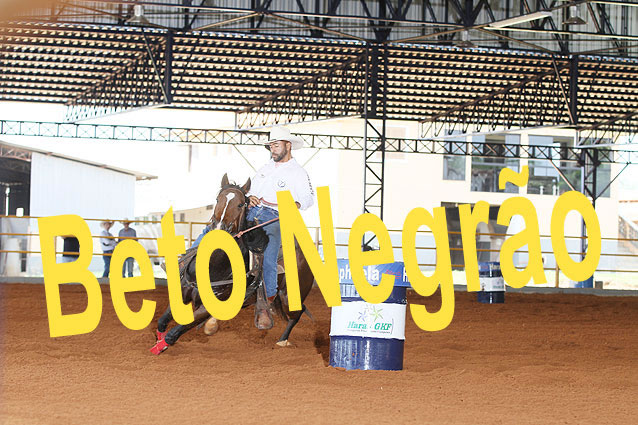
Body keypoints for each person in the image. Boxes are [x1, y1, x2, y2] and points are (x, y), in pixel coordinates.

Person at [192, 127, 314, 330]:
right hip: (252, 212)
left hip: (274, 216)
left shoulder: (298, 172)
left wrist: (296, 204)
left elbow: (308, 198)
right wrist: (251, 198)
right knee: (215, 228)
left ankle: (265, 302)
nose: (272, 149)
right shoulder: (265, 169)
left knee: (269, 252)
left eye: (276, 145)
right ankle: (185, 261)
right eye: (271, 146)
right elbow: (251, 191)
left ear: (288, 145)